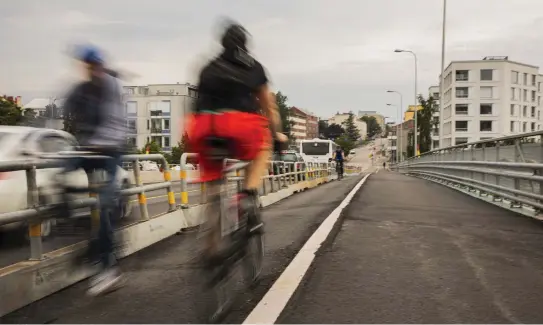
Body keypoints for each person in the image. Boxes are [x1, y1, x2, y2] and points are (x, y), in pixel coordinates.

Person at [186, 21, 286, 263]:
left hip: (205, 126)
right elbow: (269, 107)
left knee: (213, 187)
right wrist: (278, 135)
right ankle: (248, 194)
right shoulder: (254, 67)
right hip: (241, 125)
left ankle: (211, 247)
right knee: (263, 147)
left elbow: (196, 103)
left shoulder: (208, 67)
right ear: (245, 44)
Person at [62, 44, 126, 296]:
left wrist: (97, 142)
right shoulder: (82, 89)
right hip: (89, 148)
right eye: (87, 66)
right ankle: (68, 213)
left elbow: (116, 123)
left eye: (94, 65)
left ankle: (107, 267)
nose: (91, 70)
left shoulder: (112, 87)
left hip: (111, 150)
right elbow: (66, 109)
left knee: (104, 204)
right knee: (61, 171)